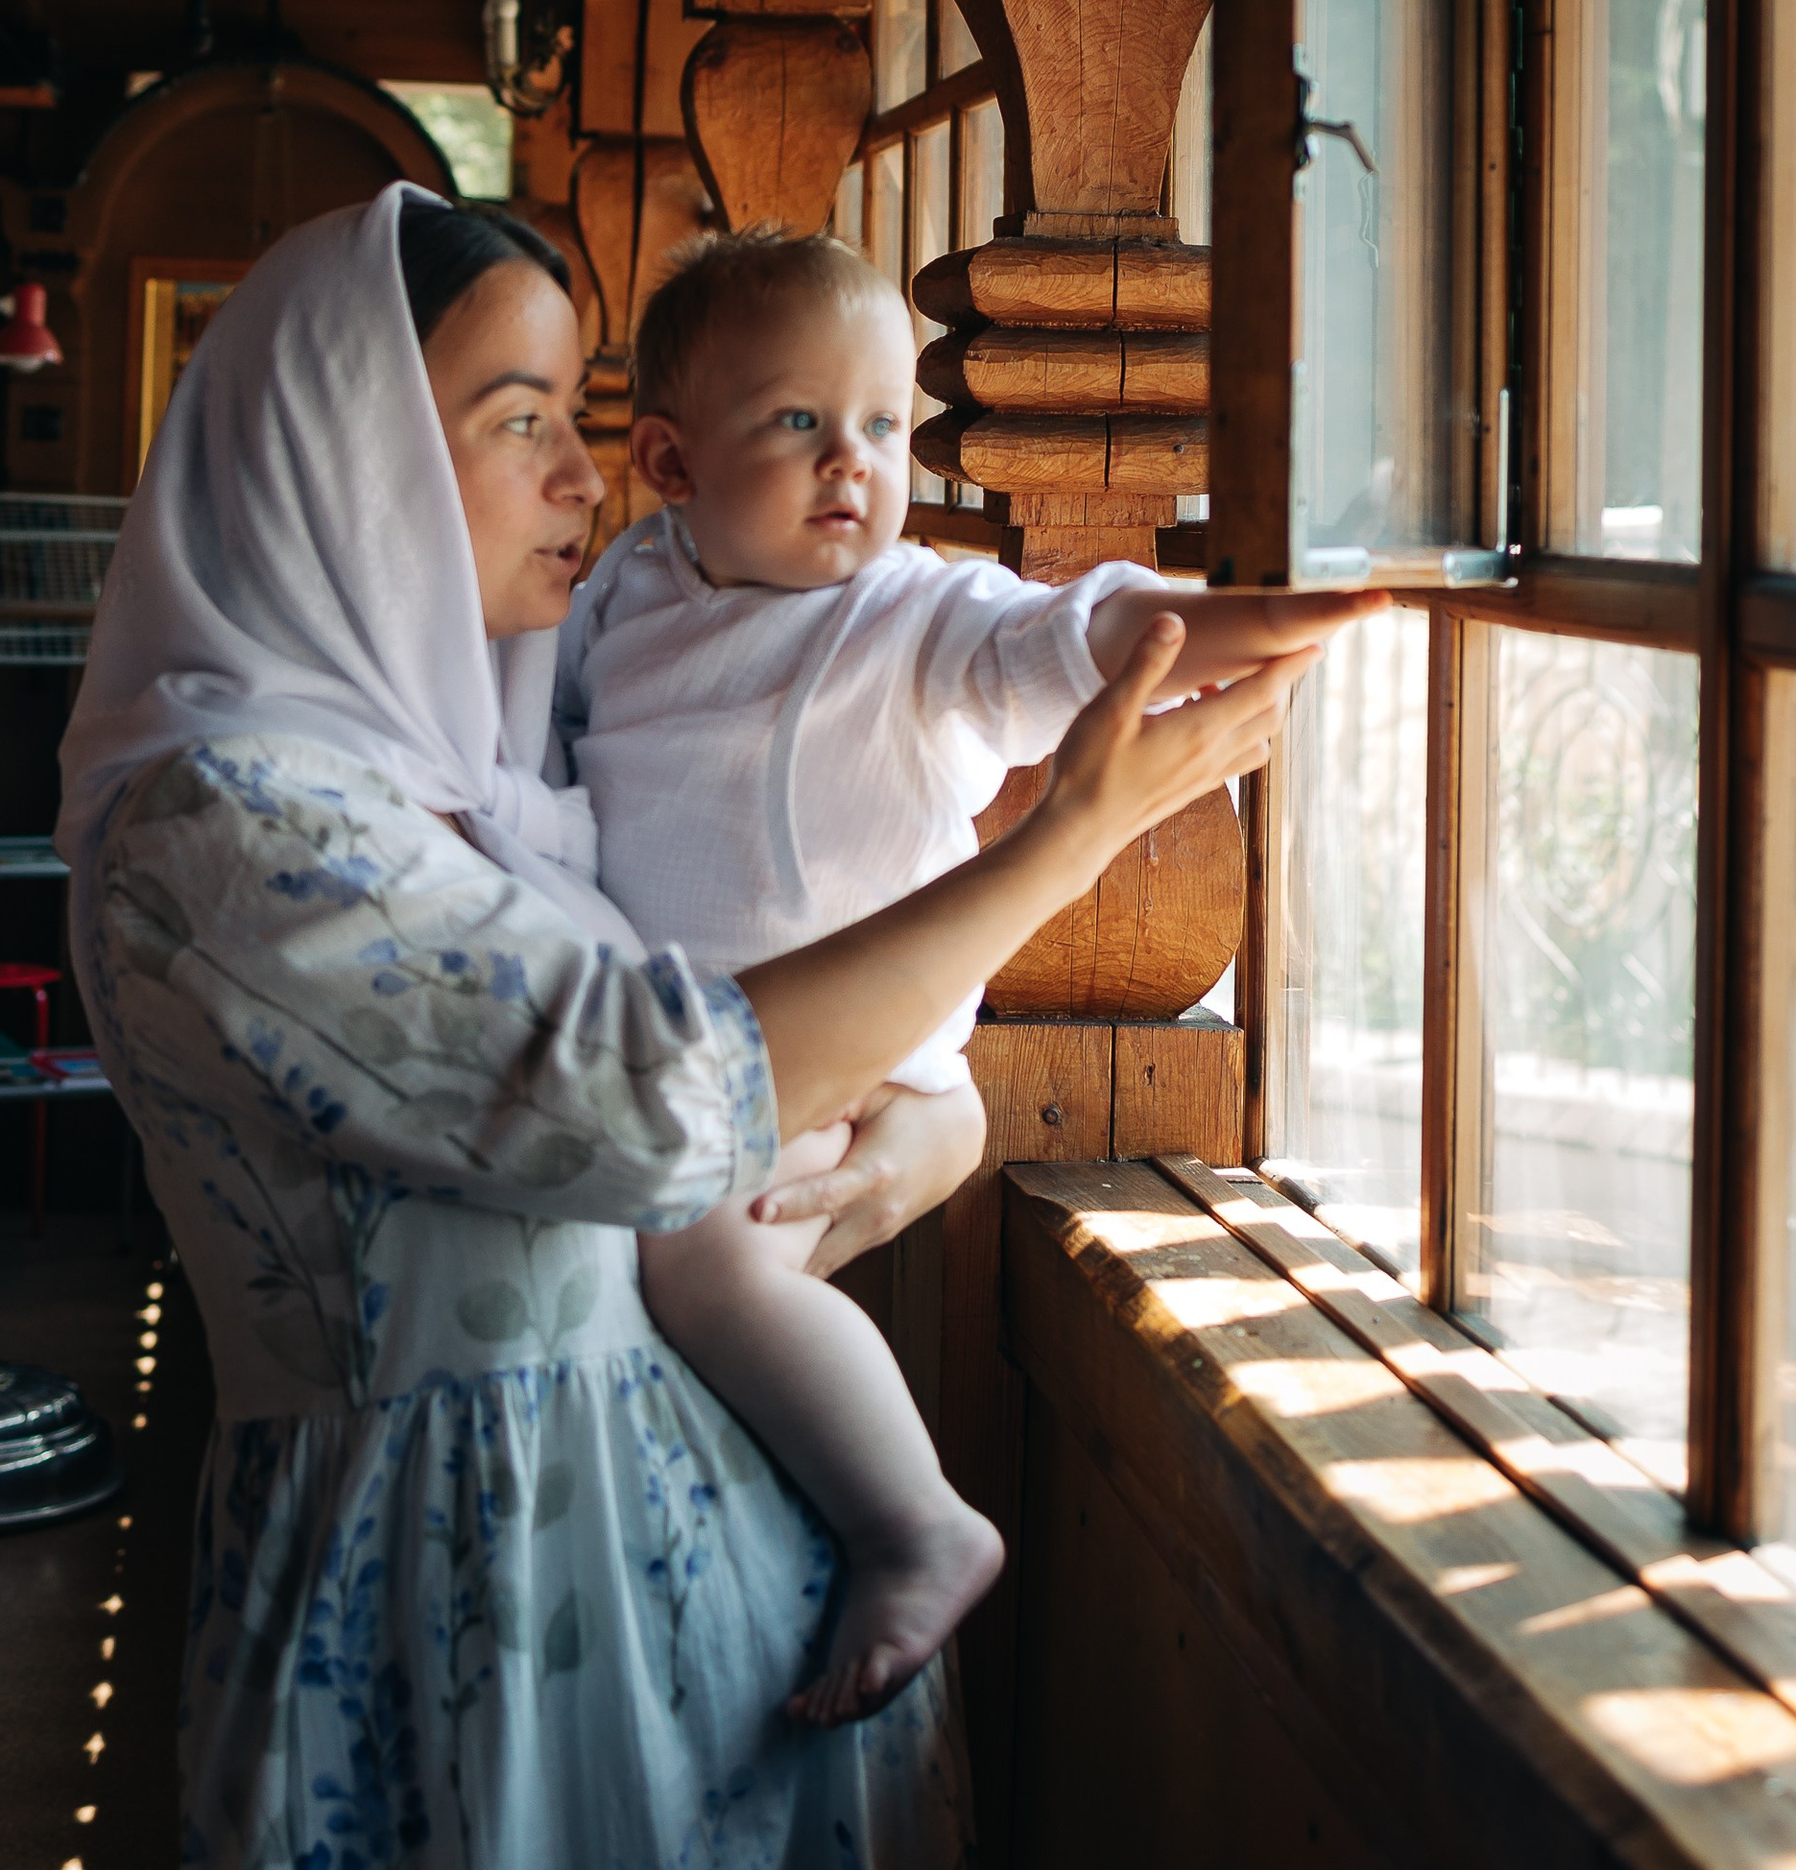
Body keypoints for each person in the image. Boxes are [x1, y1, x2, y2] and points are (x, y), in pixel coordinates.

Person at [58, 182, 1309, 1870]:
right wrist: (1062, 844)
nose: (582, 471)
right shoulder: (234, 825)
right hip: (463, 1634)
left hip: (691, 1613)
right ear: (346, 454)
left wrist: (940, 1131)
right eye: (518, 416)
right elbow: (653, 1099)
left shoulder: (459, 769)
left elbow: (771, 1040)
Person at [560, 228, 1383, 1725]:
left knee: (703, 1261)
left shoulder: (911, 615)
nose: (852, 464)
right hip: (698, 1049)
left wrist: (1276, 614)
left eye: (883, 425)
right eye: (797, 422)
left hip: (852, 1054)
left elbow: (1082, 630)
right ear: (670, 465)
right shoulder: (626, 596)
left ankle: (917, 1524)